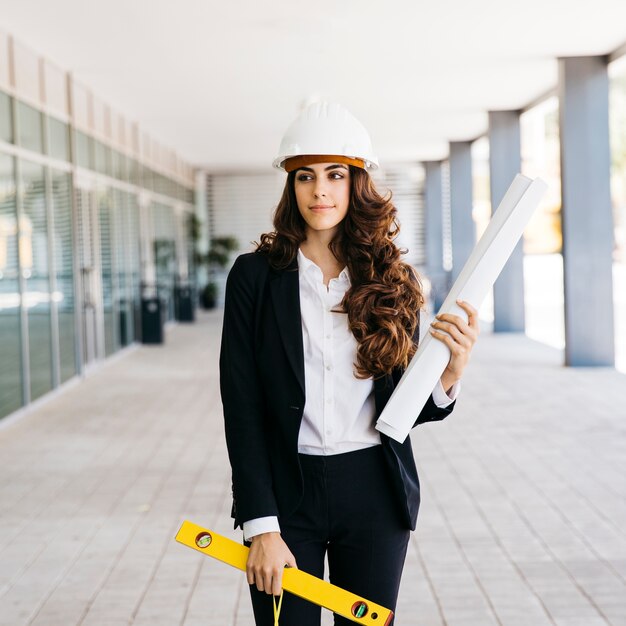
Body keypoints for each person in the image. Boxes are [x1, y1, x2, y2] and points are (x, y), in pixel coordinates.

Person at [219, 101, 479, 625]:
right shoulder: (253, 278)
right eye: (306, 177)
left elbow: (401, 407)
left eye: (336, 175)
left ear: (356, 183)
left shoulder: (392, 279)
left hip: (374, 491)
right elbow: (241, 406)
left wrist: (448, 377)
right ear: (290, 187)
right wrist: (261, 526)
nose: (320, 191)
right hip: (285, 495)